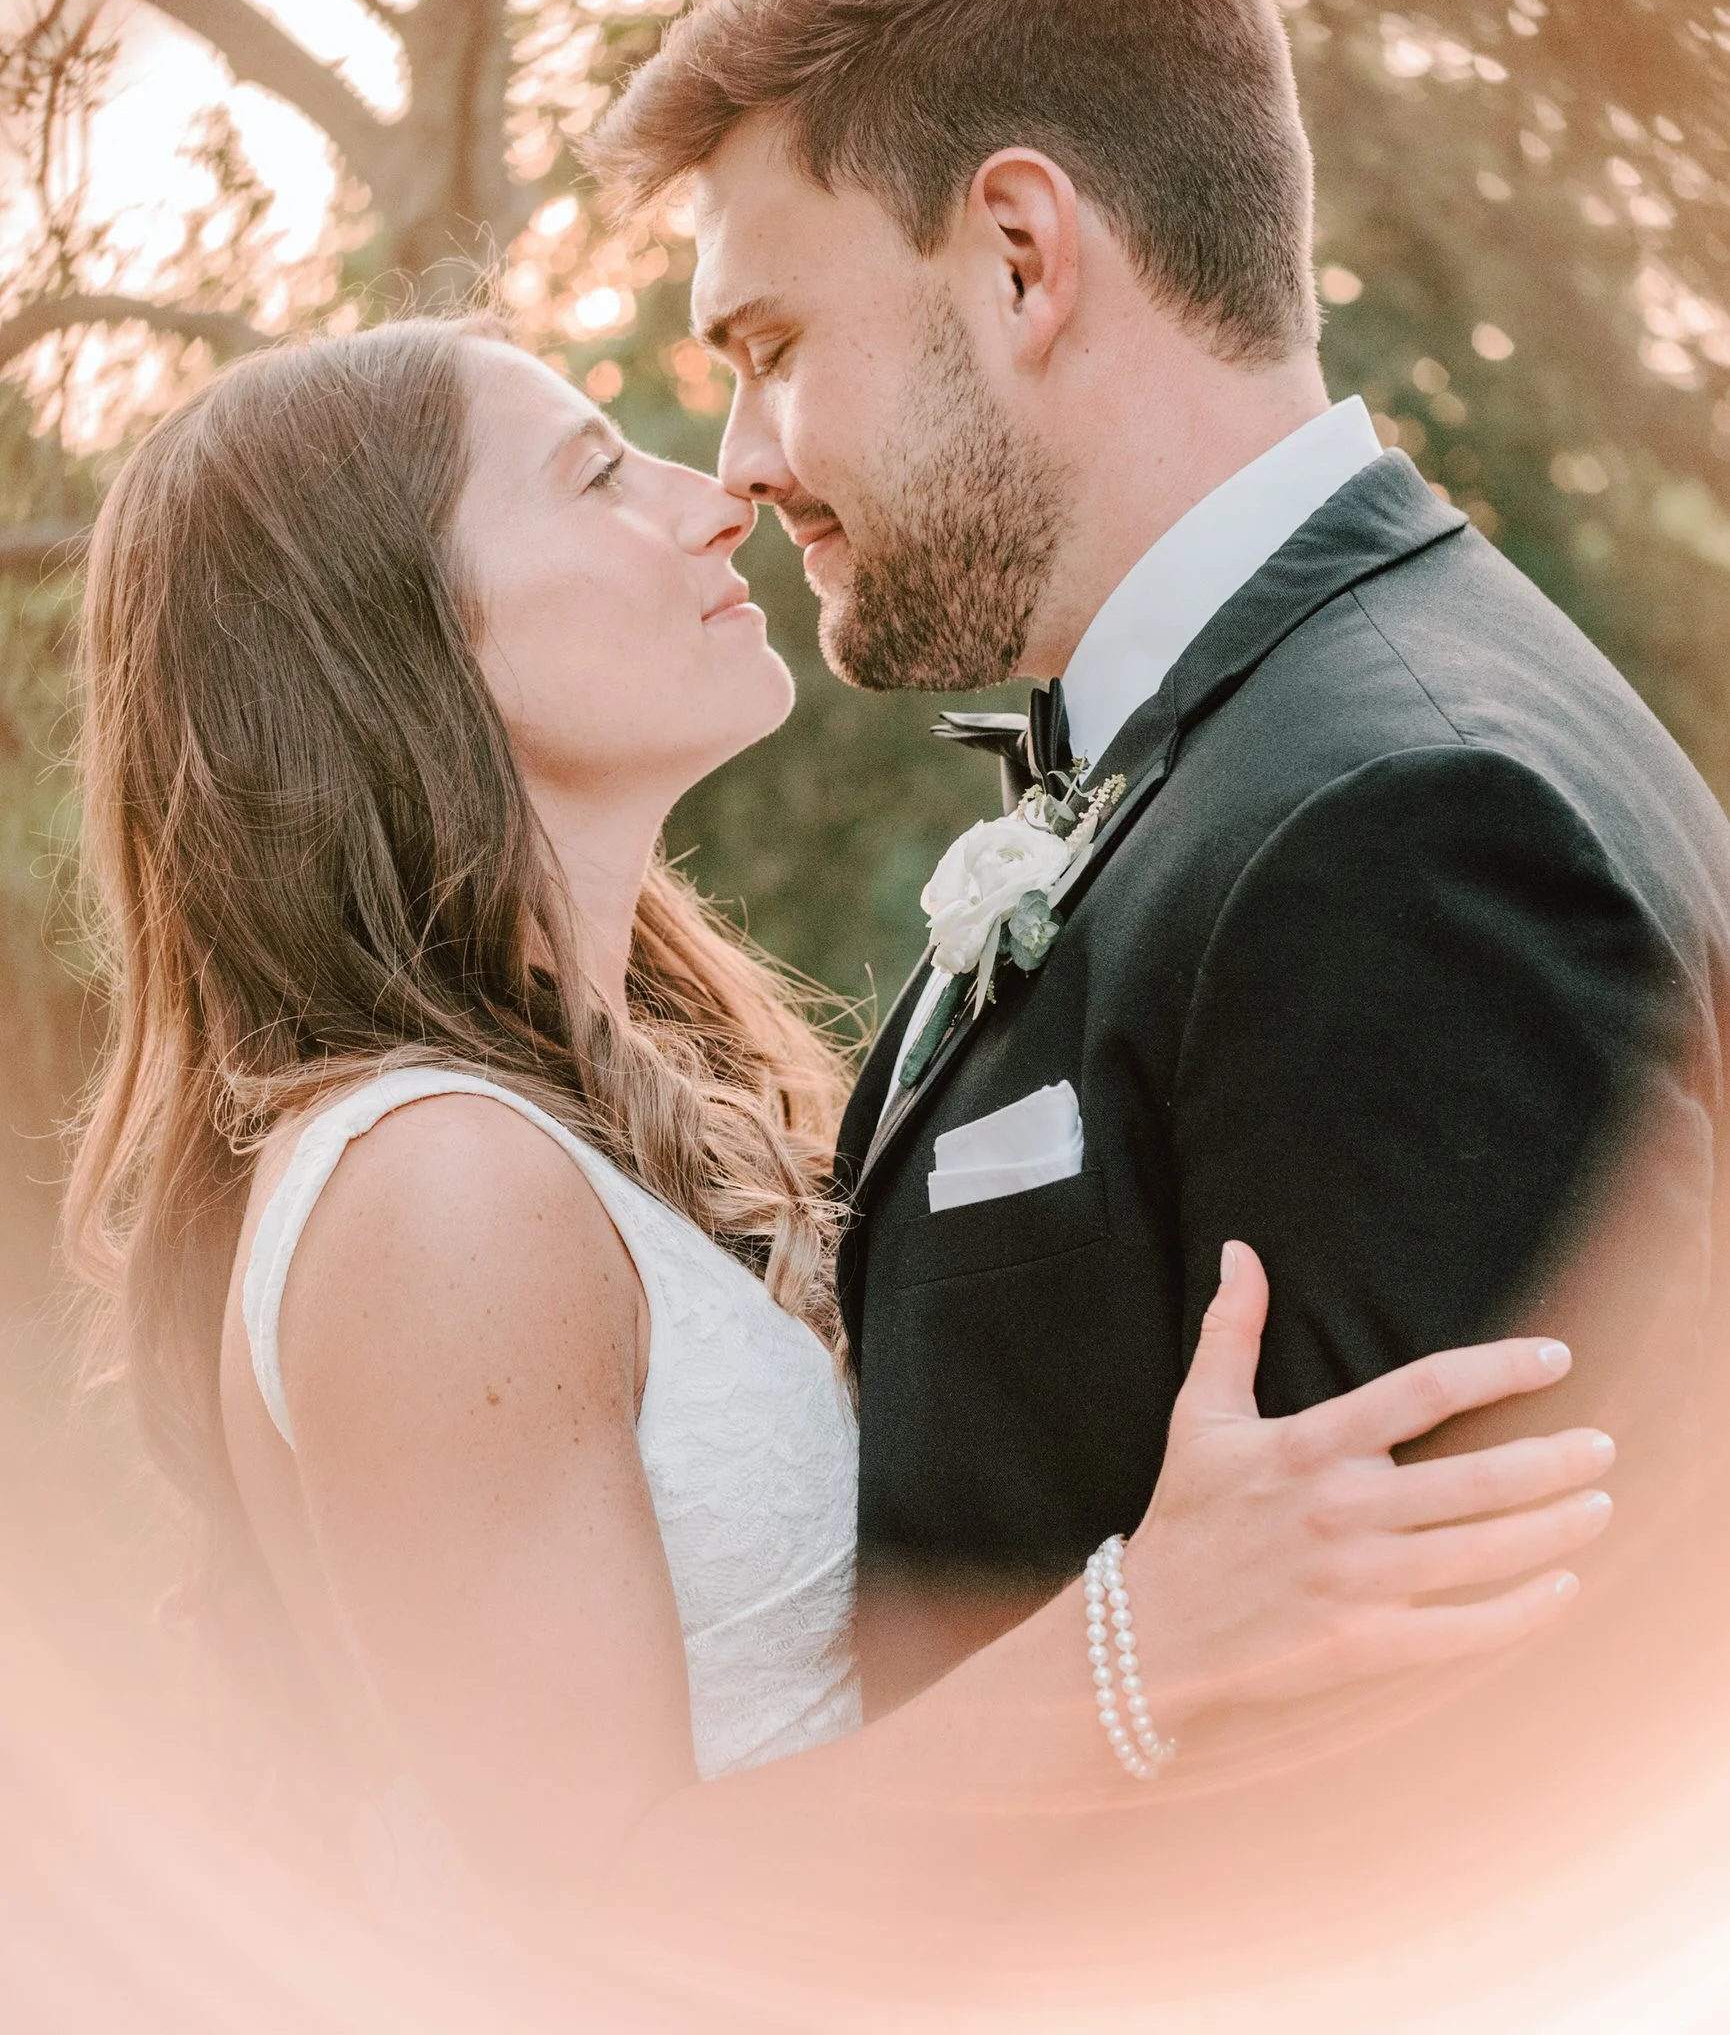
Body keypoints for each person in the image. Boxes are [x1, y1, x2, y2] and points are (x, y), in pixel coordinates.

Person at [65, 321, 1612, 1912]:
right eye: (596, 472)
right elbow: (595, 1939)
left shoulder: (632, 1100)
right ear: (383, 642)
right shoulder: (435, 1189)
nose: (715, 494)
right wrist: (1145, 1641)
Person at [588, 0, 1730, 1715]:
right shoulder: (1266, 741)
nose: (746, 462)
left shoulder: (1396, 826)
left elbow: (1461, 1754)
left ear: (1021, 258)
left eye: (770, 343)